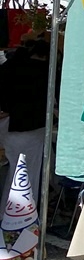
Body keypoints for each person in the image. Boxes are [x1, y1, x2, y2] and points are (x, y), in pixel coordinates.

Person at [0, 37, 51, 201]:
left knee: (16, 170)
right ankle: (19, 214)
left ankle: (10, 214)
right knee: (26, 172)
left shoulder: (9, 66)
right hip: (30, 126)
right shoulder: (44, 71)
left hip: (10, 123)